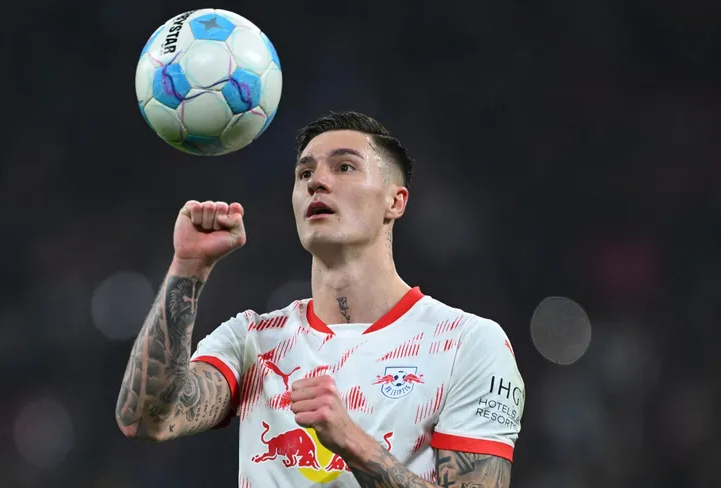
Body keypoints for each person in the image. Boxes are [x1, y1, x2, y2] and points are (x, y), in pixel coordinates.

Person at [115, 111, 525, 487]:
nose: (316, 182)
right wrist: (188, 269)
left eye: (344, 167)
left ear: (395, 201)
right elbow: (145, 420)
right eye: (305, 172)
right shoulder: (253, 339)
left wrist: (353, 444)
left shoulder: (466, 342)